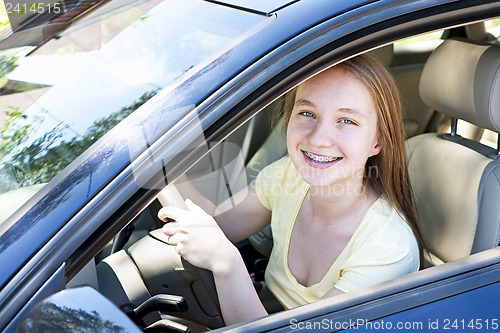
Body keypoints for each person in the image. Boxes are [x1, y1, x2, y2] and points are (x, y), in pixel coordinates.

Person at [158, 54, 426, 325]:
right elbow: (219, 224)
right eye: (307, 113)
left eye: (347, 121)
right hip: (264, 306)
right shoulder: (289, 175)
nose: (319, 139)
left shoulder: (388, 248)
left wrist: (228, 264)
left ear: (377, 143)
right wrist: (165, 164)